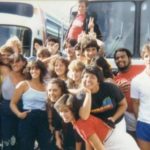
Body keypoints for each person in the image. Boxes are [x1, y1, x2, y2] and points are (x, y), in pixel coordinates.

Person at [54, 93, 139, 150]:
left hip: (119, 144)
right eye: (60, 111)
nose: (63, 114)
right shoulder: (78, 122)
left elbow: (99, 148)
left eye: (66, 111)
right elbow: (89, 143)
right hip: (115, 141)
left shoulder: (81, 123)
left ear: (74, 110)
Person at [10, 60, 51, 150]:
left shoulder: (46, 86)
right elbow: (12, 103)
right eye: (31, 69)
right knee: (26, 147)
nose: (34, 71)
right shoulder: (24, 84)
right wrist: (19, 114)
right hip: (28, 118)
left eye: (37, 69)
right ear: (28, 70)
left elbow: (48, 107)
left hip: (43, 119)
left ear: (41, 70)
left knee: (47, 146)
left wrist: (50, 122)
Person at [114, 48, 145, 138]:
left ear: (130, 58)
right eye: (117, 58)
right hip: (129, 118)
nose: (120, 59)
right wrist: (117, 90)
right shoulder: (115, 80)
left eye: (123, 57)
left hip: (145, 114)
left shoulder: (142, 68)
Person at [47, 78, 83, 150]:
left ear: (62, 90)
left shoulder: (70, 102)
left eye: (55, 90)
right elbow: (57, 125)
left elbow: (78, 130)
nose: (51, 93)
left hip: (76, 141)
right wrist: (57, 139)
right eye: (49, 90)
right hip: (64, 140)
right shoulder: (54, 105)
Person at [1, 54, 27, 150]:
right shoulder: (5, 72)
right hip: (6, 109)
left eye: (17, 61)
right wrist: (4, 56)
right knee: (7, 139)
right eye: (12, 62)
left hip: (22, 109)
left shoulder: (27, 76)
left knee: (20, 139)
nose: (14, 64)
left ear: (24, 62)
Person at [131, 43, 150, 150]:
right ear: (143, 58)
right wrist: (140, 119)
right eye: (147, 56)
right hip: (143, 124)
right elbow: (135, 103)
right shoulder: (137, 80)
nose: (149, 58)